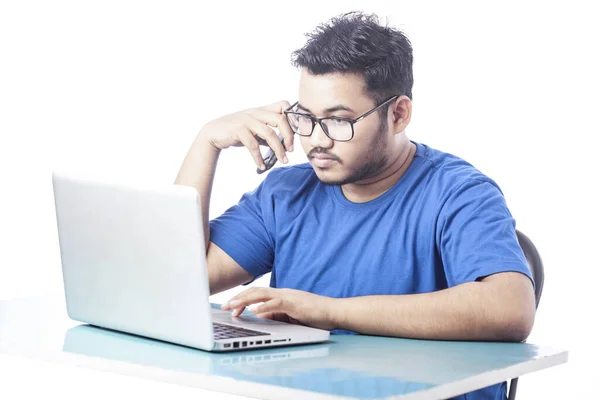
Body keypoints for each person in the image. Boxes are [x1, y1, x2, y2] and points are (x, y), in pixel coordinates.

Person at [175, 11, 536, 400]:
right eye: (306, 119)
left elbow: (509, 309)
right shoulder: (286, 193)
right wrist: (206, 143)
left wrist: (327, 312)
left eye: (338, 121)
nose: (317, 141)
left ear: (398, 114)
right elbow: (178, 280)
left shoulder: (459, 192)